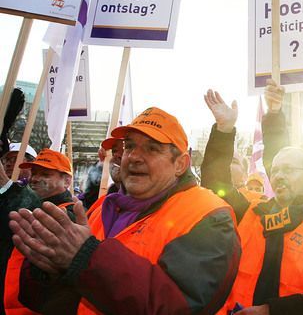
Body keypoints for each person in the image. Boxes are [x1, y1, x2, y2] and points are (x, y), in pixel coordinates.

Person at [9, 107, 241, 314]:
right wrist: (50, 273)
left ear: (180, 163)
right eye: (130, 146)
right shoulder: (99, 209)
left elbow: (178, 305)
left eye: (152, 148)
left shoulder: (209, 214)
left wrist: (86, 258)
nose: (134, 157)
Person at [202, 88, 303, 314]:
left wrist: (271, 311)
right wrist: (224, 130)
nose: (278, 176)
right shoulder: (252, 213)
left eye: (288, 170)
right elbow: (215, 184)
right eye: (275, 171)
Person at [0, 149, 75, 314]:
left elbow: (36, 215)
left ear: (67, 181)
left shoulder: (70, 214)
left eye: (45, 174)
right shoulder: (29, 202)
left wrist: (6, 185)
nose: (35, 179)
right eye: (34, 173)